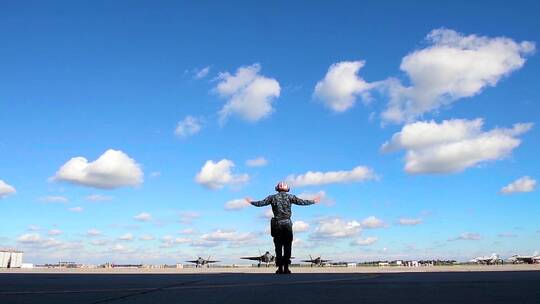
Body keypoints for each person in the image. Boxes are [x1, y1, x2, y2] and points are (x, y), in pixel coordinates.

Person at [245, 181, 319, 274]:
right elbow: (302, 202)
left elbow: (261, 203)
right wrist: (313, 201)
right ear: (287, 189)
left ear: (277, 188)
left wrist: (251, 202)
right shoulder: (290, 197)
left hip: (277, 225)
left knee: (278, 247)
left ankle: (280, 268)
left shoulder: (272, 197)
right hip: (287, 224)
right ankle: (286, 268)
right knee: (288, 247)